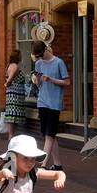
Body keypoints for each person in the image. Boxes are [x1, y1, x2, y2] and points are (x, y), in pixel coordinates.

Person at [31, 41, 69, 170]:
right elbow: (38, 84)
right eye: (37, 56)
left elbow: (67, 82)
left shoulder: (58, 62)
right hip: (42, 101)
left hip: (54, 103)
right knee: (48, 134)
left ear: (46, 49)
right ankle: (57, 164)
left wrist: (52, 79)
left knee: (49, 134)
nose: (40, 58)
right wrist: (37, 80)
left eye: (41, 55)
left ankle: (43, 164)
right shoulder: (38, 64)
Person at [2, 49, 27, 139]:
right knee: (12, 115)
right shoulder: (14, 66)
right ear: (17, 57)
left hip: (12, 93)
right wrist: (7, 84)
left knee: (12, 115)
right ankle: (11, 136)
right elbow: (10, 78)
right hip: (14, 95)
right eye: (20, 55)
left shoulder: (10, 65)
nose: (21, 57)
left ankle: (11, 135)